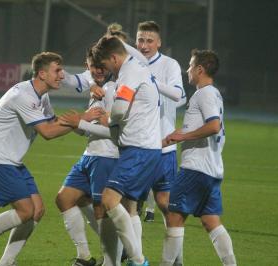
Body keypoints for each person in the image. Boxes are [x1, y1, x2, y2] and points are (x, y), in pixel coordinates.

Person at [0, 52, 101, 266]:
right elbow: (48, 132)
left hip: (11, 159)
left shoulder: (41, 95)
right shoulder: (23, 96)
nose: (62, 75)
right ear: (42, 74)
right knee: (26, 211)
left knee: (37, 210)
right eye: (57, 70)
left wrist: (80, 124)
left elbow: (53, 122)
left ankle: (6, 263)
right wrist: (82, 119)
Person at [92, 36, 162, 266]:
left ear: (114, 58)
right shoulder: (139, 65)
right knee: (129, 207)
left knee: (108, 199)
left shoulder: (129, 71)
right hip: (147, 148)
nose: (108, 70)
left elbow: (120, 109)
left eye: (107, 65)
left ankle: (138, 260)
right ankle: (132, 259)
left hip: (138, 149)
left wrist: (108, 119)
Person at [162, 49, 236, 266]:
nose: (188, 70)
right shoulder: (213, 93)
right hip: (212, 168)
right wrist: (179, 136)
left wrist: (183, 136)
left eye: (190, 65)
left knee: (174, 217)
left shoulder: (204, 93)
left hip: (196, 168)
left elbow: (214, 126)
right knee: (210, 220)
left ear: (200, 69)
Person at [55, 46, 120, 266]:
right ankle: (84, 256)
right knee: (65, 198)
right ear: (87, 66)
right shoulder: (96, 89)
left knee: (102, 208)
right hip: (90, 154)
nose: (99, 71)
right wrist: (75, 124)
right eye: (94, 68)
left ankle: (112, 260)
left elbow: (115, 131)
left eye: (102, 67)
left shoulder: (113, 89)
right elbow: (87, 128)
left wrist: (80, 123)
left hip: (107, 156)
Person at [134, 21, 186, 228]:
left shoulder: (169, 65)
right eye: (140, 40)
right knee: (130, 203)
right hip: (137, 144)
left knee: (165, 203)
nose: (144, 45)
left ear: (159, 43)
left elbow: (179, 96)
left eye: (149, 41)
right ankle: (130, 256)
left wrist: (151, 80)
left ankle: (176, 259)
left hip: (163, 145)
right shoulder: (131, 64)